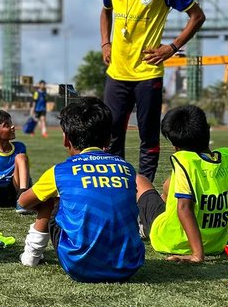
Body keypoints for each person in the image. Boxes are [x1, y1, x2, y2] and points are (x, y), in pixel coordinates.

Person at [101, 0, 205, 179]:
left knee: (148, 136)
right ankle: (117, 187)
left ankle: (143, 191)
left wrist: (171, 47)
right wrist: (106, 42)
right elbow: (105, 11)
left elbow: (197, 16)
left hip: (147, 74)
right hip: (117, 73)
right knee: (111, 135)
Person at [17, 97, 145, 283]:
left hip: (79, 265)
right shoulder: (127, 168)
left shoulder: (59, 171)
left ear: (66, 139)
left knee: (49, 200)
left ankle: (31, 256)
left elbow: (23, 202)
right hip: (129, 265)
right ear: (109, 138)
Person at [134, 104, 228, 263]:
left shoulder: (185, 162)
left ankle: (142, 226)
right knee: (168, 187)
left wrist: (197, 255)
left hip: (171, 240)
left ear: (176, 146)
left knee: (139, 180)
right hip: (216, 244)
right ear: (208, 129)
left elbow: (184, 207)